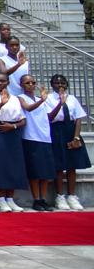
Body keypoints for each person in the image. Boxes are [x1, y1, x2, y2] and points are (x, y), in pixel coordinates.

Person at [0, 72, 29, 211]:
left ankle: (10, 199)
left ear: (8, 82)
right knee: (0, 164)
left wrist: (13, 126)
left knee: (13, 164)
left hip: (12, 131)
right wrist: (1, 104)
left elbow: (23, 120)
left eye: (3, 81)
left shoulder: (15, 98)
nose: (0, 83)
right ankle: (1, 200)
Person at [47, 74, 87, 211]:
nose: (60, 85)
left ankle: (72, 195)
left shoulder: (72, 98)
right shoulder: (48, 98)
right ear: (52, 85)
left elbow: (78, 118)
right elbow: (49, 117)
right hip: (56, 130)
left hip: (71, 131)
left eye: (62, 83)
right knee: (59, 165)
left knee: (71, 165)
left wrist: (76, 138)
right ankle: (60, 196)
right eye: (57, 83)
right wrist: (60, 103)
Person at [17, 75, 56, 211]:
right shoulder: (20, 98)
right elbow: (28, 108)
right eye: (27, 82)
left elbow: (50, 116)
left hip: (44, 137)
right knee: (35, 171)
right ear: (21, 85)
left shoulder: (41, 99)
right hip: (31, 136)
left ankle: (43, 199)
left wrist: (60, 104)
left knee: (45, 172)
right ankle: (36, 199)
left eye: (33, 82)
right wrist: (42, 101)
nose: (31, 85)